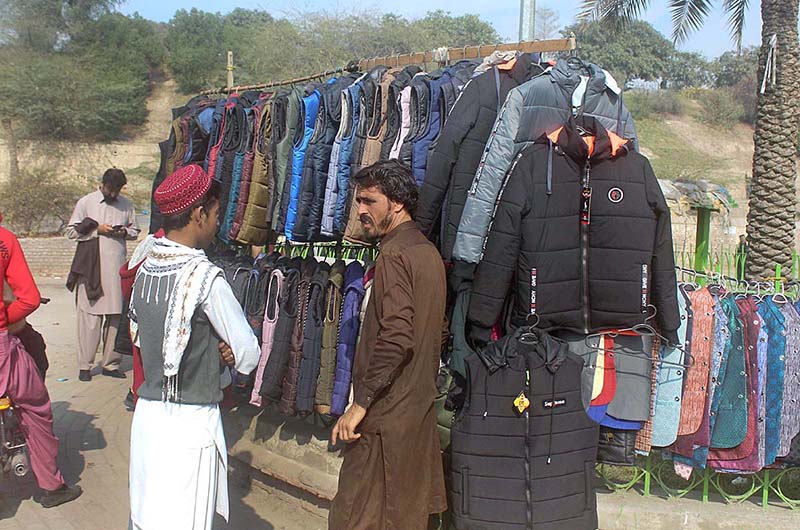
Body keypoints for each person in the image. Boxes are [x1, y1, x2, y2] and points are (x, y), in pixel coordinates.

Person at [128, 164, 260, 530]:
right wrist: (228, 352)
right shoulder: (205, 278)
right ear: (199, 214)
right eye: (216, 215)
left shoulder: (145, 266)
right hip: (189, 426)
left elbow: (141, 336)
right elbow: (248, 353)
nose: (217, 224)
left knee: (148, 517)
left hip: (148, 420)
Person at [329, 160, 448, 530]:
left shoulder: (395, 254)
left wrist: (359, 405)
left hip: (385, 421)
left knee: (355, 518)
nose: (360, 210)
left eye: (369, 201)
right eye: (358, 201)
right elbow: (438, 330)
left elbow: (398, 336)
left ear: (396, 203)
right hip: (413, 416)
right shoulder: (426, 252)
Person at [0, 211, 82, 507]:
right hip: (5, 344)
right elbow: (30, 299)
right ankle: (51, 485)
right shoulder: (4, 240)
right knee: (35, 407)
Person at [65, 168, 140, 382]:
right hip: (90, 269)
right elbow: (71, 232)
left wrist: (123, 232)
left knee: (115, 317)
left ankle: (110, 364)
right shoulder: (86, 202)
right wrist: (98, 230)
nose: (114, 194)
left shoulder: (126, 205)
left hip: (116, 269)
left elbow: (135, 231)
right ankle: (85, 366)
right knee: (89, 318)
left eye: (118, 190)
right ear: (103, 184)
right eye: (111, 189)